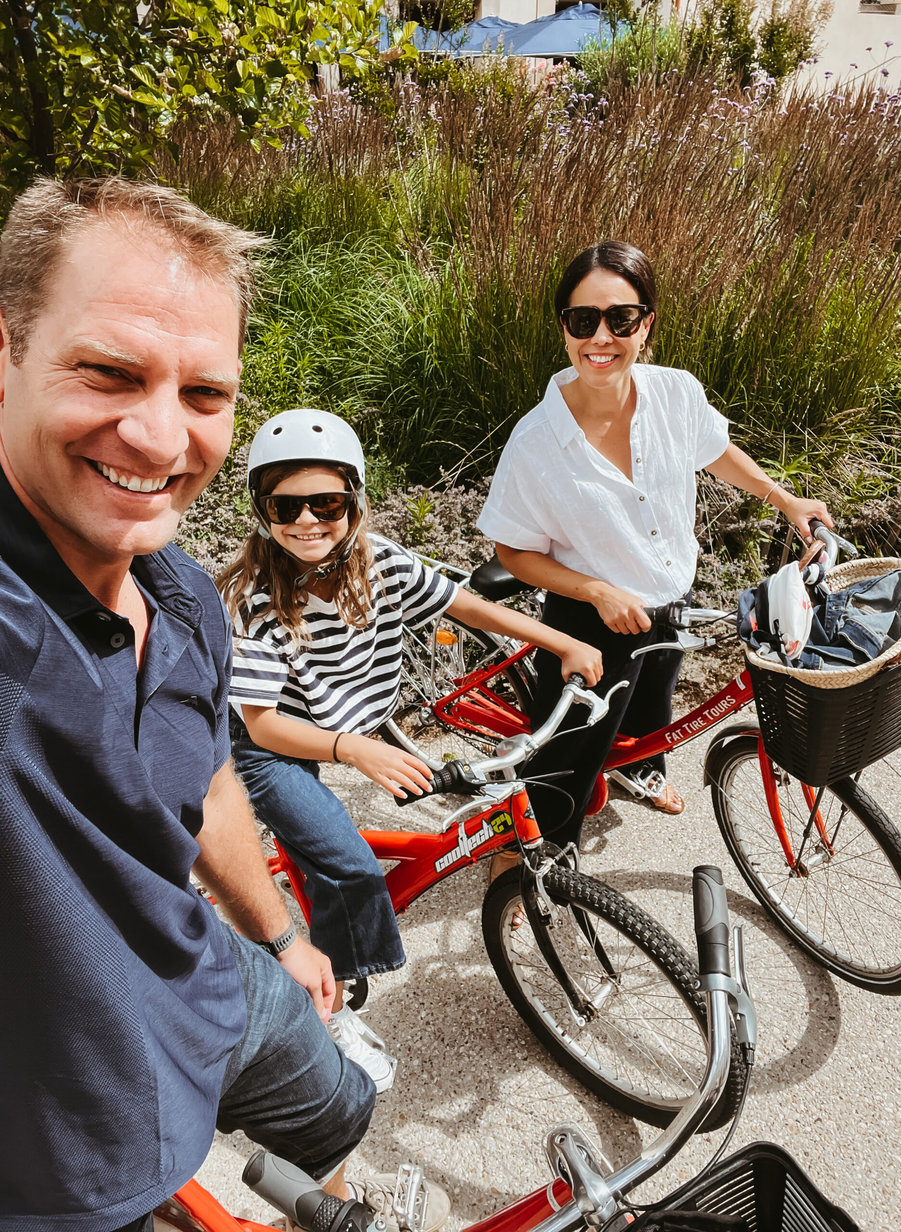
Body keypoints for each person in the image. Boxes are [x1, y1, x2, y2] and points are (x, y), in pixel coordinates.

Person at [0, 177, 445, 1232]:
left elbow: (205, 779)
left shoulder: (185, 594)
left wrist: (281, 936)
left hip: (210, 975)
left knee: (334, 1106)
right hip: (68, 1124)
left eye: (204, 392)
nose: (162, 440)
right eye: (109, 371)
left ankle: (333, 1204)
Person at [217, 407, 603, 1087]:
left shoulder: (379, 562)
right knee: (350, 867)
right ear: (261, 510)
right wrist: (354, 750)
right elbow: (265, 726)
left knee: (326, 846)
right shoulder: (254, 597)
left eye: (326, 503)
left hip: (337, 724)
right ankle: (334, 1006)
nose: (306, 521)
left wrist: (561, 640)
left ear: (354, 500)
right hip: (271, 742)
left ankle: (327, 899)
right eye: (285, 506)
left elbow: (463, 605)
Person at [476, 239, 832, 847]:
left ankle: (639, 768)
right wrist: (596, 591)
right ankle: (527, 858)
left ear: (646, 324)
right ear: (564, 327)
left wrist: (785, 500)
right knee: (564, 764)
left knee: (652, 704)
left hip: (670, 598)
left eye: (621, 319)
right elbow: (513, 552)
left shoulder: (675, 394)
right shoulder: (535, 443)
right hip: (591, 618)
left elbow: (714, 451)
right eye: (583, 320)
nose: (601, 338)